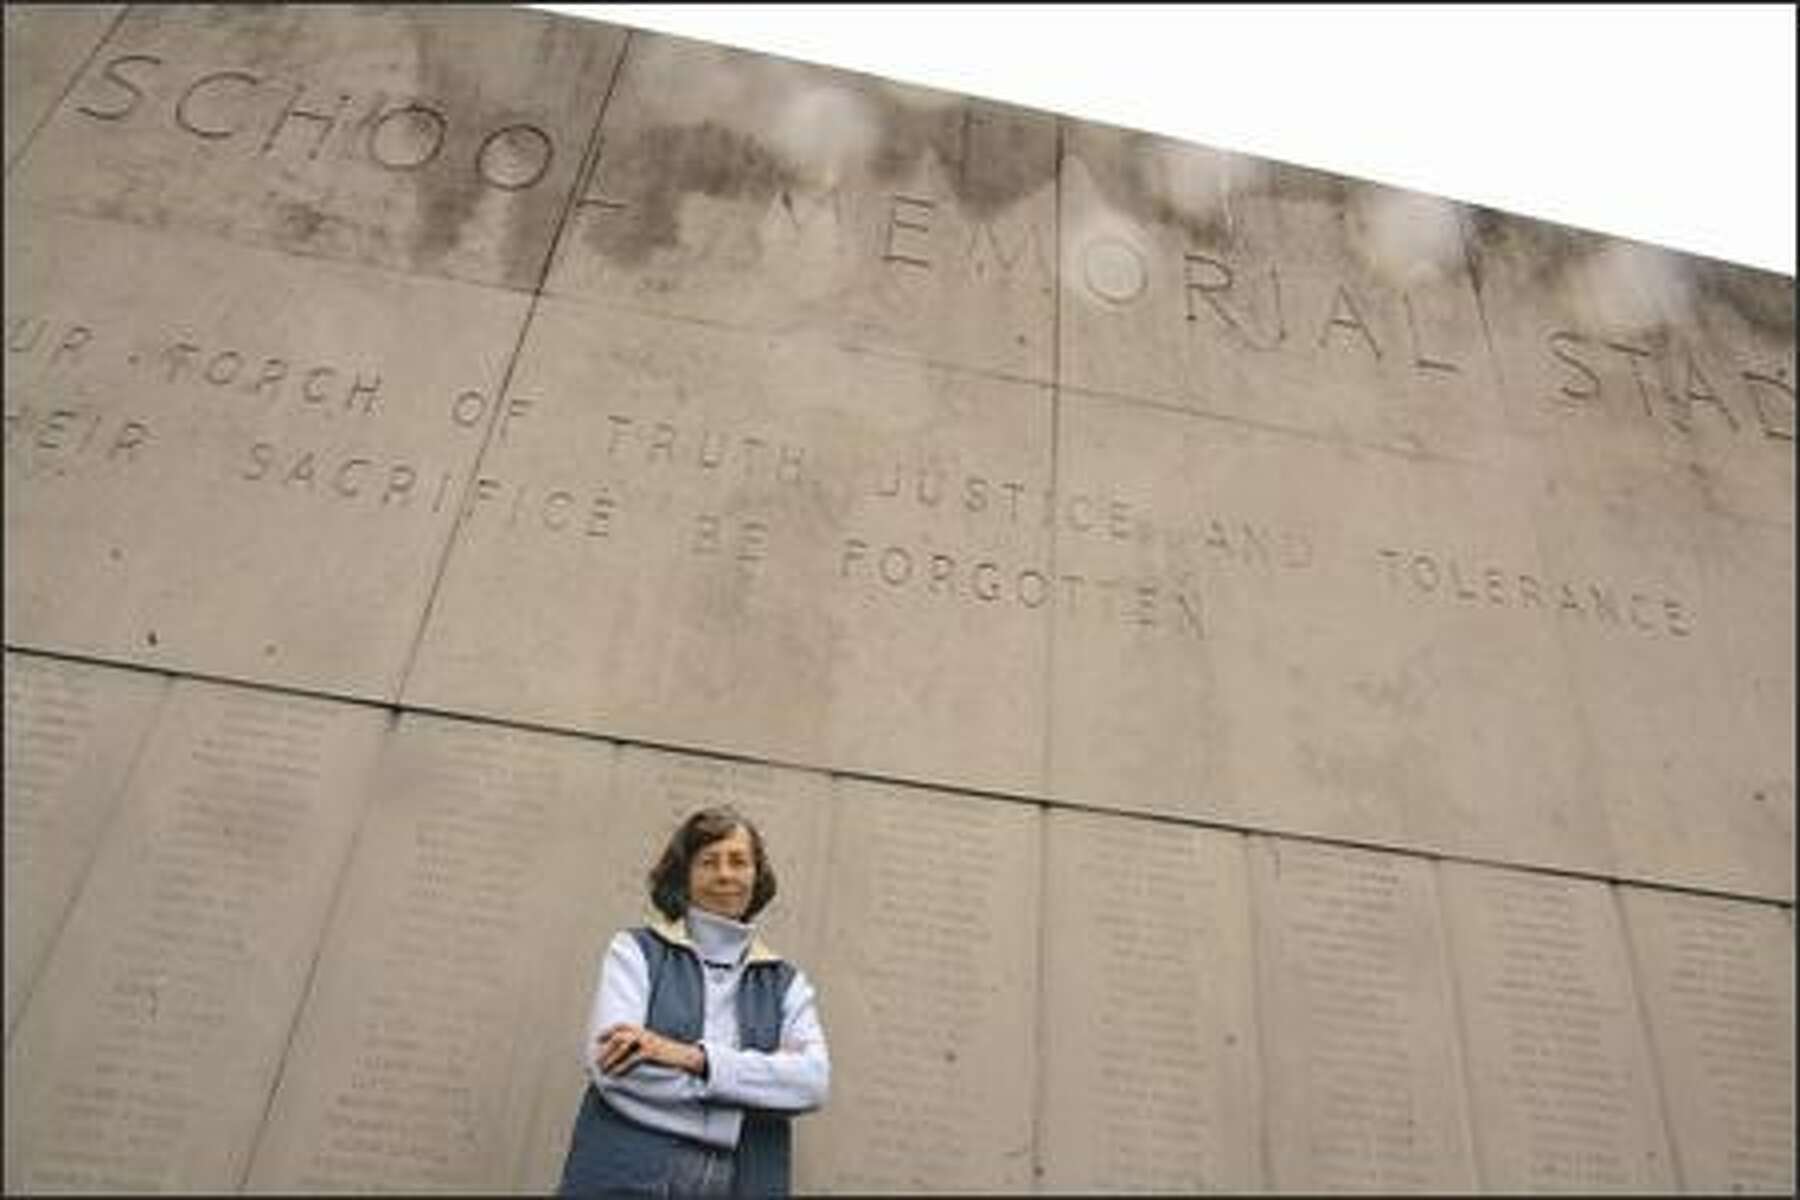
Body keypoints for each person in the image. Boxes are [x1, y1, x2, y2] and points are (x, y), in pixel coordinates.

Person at [558, 806, 830, 1197]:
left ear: (757, 875)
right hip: (626, 1173)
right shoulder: (634, 952)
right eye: (708, 861)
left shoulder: (787, 983)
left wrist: (693, 1059)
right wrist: (743, 1100)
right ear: (684, 875)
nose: (725, 874)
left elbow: (812, 1083)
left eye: (739, 861)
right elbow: (612, 1068)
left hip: (743, 1181)